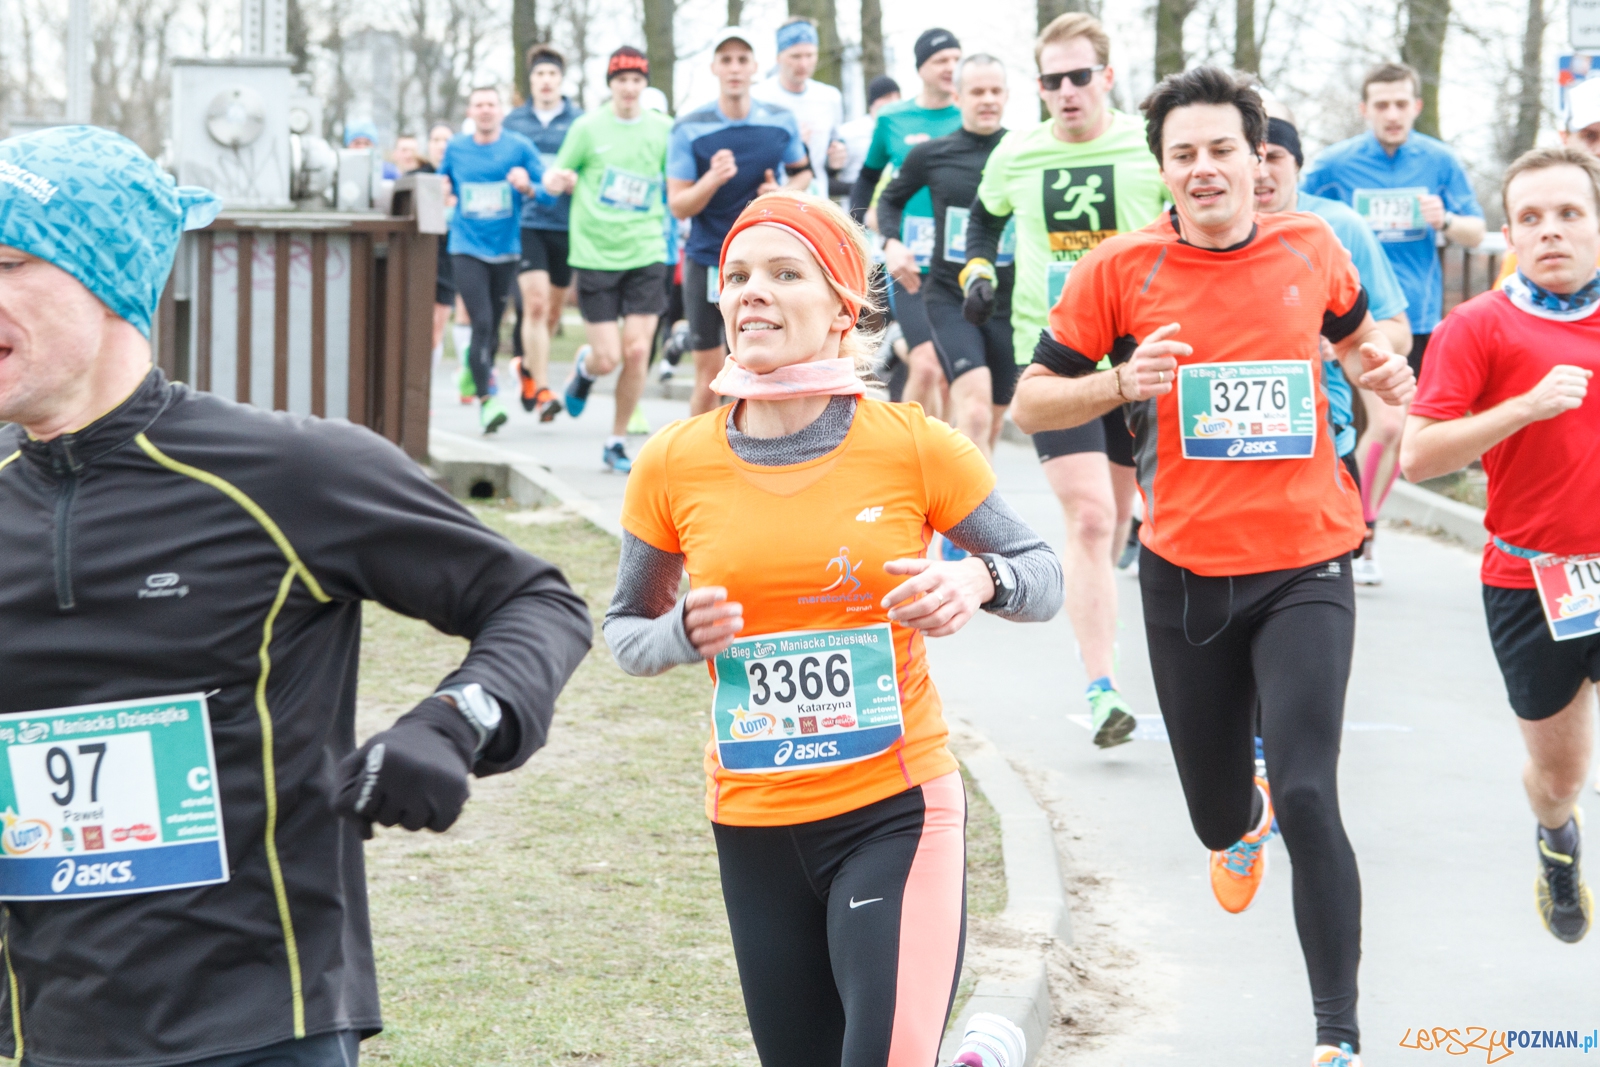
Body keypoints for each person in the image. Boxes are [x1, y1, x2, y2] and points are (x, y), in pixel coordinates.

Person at [0, 125, 592, 1067]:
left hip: (265, 1023)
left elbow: (535, 599)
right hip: (58, 1036)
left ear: (108, 276)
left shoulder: (289, 472)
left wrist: (455, 719)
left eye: (8, 260)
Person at [1010, 69, 1415, 1066]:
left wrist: (1386, 372)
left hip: (1306, 562)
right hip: (1185, 573)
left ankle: (1337, 1034)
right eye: (1182, 154)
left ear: (1258, 159)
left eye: (1222, 150)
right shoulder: (1118, 270)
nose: (1204, 169)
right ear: (1164, 170)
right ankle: (1241, 816)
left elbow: (1363, 343)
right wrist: (1117, 379)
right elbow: (1028, 402)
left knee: (1313, 791)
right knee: (1214, 812)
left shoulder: (1311, 250)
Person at [605, 189, 1059, 1067]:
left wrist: (977, 577)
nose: (752, 293)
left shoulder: (913, 445)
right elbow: (625, 627)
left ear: (843, 307)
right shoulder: (674, 460)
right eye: (736, 276)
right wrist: (679, 636)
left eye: (783, 273)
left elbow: (1040, 576)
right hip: (753, 821)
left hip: (894, 809)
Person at [1401, 145, 1600, 944]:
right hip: (1534, 579)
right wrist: (1522, 407)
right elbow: (1418, 456)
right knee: (1561, 774)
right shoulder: (1476, 327)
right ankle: (1557, 840)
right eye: (1531, 218)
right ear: (1511, 230)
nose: (1550, 231)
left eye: (1569, 213)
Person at [962, 13, 1166, 748]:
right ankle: (1102, 685)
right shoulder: (1018, 153)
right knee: (1086, 518)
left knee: (1116, 523)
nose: (1067, 91)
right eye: (1052, 80)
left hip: (1143, 361)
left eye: (1081, 76)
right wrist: (980, 269)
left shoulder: (1148, 148)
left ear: (1107, 78)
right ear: (1039, 87)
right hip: (1056, 358)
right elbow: (982, 224)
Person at [1302, 62, 1485, 578]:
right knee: (1355, 423)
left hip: (1412, 316)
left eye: (1401, 103)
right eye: (1381, 104)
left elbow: (1476, 228)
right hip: (1344, 318)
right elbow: (1292, 203)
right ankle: (1341, 533)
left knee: (1391, 427)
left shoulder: (1439, 160)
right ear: (1364, 110)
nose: (1392, 114)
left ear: (1416, 107)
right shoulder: (1335, 164)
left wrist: (1445, 220)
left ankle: (1363, 531)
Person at [1253, 108, 1413, 586]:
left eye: (1275, 157)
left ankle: (1364, 529)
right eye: (1251, 157)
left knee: (1391, 419)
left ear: (1298, 163)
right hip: (1235, 439)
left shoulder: (1337, 226)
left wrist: (1341, 338)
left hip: (1324, 423)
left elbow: (1396, 329)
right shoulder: (1207, 230)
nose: (1262, 171)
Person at [877, 54, 1014, 476]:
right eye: (977, 91)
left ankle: (959, 499)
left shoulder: (1023, 152)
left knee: (990, 421)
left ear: (1007, 95)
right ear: (958, 96)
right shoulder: (932, 154)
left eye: (995, 91)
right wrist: (890, 242)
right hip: (949, 297)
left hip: (1008, 304)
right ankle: (974, 529)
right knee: (972, 412)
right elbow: (889, 199)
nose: (987, 100)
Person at [667, 27, 813, 416]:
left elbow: (804, 173)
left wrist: (778, 191)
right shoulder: (689, 128)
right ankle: (692, 467)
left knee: (760, 370)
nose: (734, 68)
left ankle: (753, 460)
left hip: (763, 265)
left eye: (742, 60)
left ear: (755, 67)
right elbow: (679, 206)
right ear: (714, 67)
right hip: (708, 259)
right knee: (711, 376)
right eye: (726, 60)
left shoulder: (781, 121)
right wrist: (712, 179)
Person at [544, 46, 672, 473]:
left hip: (646, 250)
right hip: (596, 253)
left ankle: (615, 441)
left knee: (637, 352)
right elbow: (554, 176)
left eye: (637, 80)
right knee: (608, 358)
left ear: (644, 83)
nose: (630, 89)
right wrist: (557, 180)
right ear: (611, 85)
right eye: (622, 81)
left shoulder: (663, 130)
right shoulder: (587, 127)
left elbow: (678, 180)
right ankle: (585, 367)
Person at [849, 29, 963, 419]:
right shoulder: (894, 119)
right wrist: (863, 230)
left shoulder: (971, 117)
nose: (951, 67)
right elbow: (866, 178)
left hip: (958, 261)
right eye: (940, 60)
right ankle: (899, 452)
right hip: (907, 260)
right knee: (928, 363)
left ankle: (947, 462)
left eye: (955, 59)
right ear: (921, 69)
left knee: (952, 374)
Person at [437, 86, 546, 434]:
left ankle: (475, 369)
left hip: (506, 250)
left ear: (500, 111)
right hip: (466, 247)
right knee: (481, 322)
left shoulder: (518, 147)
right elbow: (442, 183)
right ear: (470, 112)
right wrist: (443, 191)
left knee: (494, 325)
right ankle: (487, 401)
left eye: (491, 104)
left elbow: (547, 192)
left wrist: (528, 185)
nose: (485, 110)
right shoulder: (456, 147)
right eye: (478, 105)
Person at [504, 45, 584, 422]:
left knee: (552, 312)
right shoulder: (514, 123)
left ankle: (527, 371)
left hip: (568, 225)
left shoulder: (580, 121)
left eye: (552, 75)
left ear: (560, 80)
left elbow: (593, 166)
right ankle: (542, 388)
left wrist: (576, 181)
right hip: (528, 223)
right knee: (534, 306)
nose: (546, 81)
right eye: (540, 75)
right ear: (531, 80)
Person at [1493, 76, 1600, 286]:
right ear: (1565, 138)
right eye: (1590, 136)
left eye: (1569, 214)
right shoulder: (1541, 216)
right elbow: (1507, 307)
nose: (1599, 150)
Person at [752, 17, 844, 200]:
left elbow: (832, 151)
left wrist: (836, 160)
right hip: (773, 199)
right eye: (795, 56)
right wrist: (790, 143)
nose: (803, 64)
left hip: (817, 201)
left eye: (810, 55)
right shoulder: (758, 97)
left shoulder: (830, 97)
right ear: (779, 58)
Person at [836, 75, 901, 191]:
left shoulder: (902, 132)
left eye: (898, 97)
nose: (894, 102)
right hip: (858, 205)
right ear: (873, 102)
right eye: (887, 97)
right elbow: (828, 177)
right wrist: (861, 189)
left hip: (895, 205)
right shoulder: (848, 132)